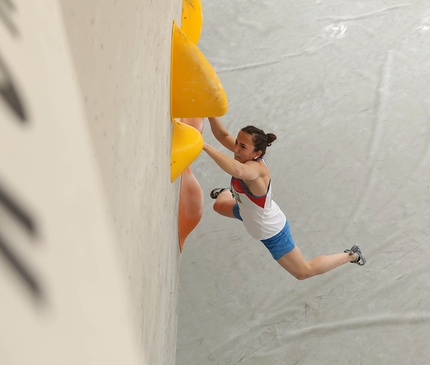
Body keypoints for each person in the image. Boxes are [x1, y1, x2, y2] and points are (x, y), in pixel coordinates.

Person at [202, 116, 366, 280]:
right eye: (237, 142)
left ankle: (351, 255)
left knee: (303, 272)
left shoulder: (256, 171)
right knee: (218, 206)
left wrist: (203, 145)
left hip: (271, 230)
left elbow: (237, 171)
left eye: (242, 146)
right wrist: (210, 114)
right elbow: (223, 135)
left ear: (257, 153)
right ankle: (228, 193)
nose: (236, 149)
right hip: (246, 210)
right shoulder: (244, 154)